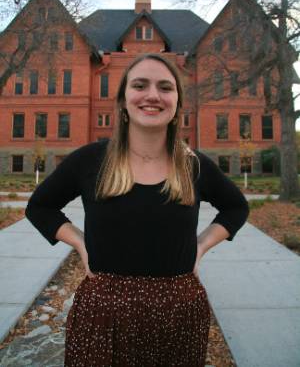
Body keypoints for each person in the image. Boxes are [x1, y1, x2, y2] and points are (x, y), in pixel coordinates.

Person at [25, 53, 249, 367]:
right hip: (103, 312)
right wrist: (80, 242)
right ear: (123, 100)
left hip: (179, 312)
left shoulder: (192, 165)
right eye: (140, 85)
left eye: (165, 87)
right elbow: (40, 207)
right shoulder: (90, 161)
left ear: (177, 103)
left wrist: (200, 247)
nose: (153, 95)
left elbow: (236, 207)